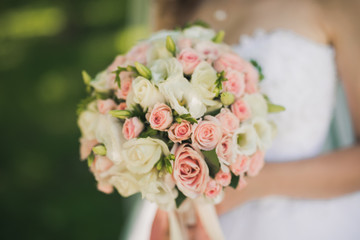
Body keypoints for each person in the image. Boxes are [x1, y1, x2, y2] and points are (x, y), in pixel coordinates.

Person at [137, 0, 360, 239]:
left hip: (304, 222)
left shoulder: (337, 5)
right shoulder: (178, 8)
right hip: (199, 220)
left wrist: (246, 185)